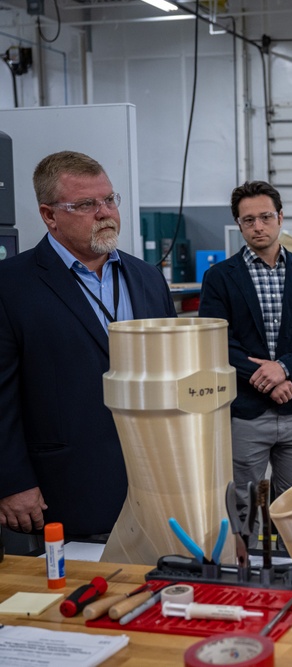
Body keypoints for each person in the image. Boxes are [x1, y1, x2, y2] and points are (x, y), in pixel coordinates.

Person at [0, 150, 176, 538]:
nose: (105, 212)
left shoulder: (147, 278)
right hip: (65, 488)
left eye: (110, 199)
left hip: (155, 481)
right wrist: (11, 481)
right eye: (86, 204)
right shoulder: (11, 285)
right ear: (49, 216)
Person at [199, 181, 292, 521]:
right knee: (241, 508)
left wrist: (284, 369)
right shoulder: (219, 277)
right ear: (239, 223)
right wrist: (268, 379)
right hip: (246, 411)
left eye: (265, 217)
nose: (258, 226)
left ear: (280, 218)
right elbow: (216, 340)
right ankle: (243, 568)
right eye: (248, 220)